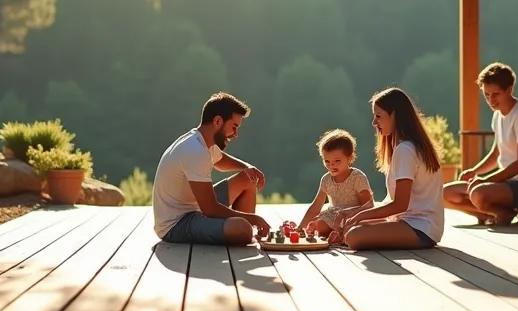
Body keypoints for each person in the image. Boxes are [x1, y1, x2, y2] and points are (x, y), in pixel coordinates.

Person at [151, 92, 271, 245]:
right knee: (242, 228)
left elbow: (220, 160)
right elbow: (210, 210)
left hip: (197, 209)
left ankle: (239, 232)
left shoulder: (203, 141)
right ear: (218, 121)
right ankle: (242, 232)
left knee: (247, 180)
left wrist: (246, 167)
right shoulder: (195, 150)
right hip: (177, 224)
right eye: (234, 127)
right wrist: (253, 219)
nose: (236, 134)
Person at [335, 87, 445, 250]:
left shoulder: (405, 150)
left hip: (420, 228)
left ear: (395, 116)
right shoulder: (405, 148)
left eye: (378, 116)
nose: (374, 123)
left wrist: (360, 216)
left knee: (353, 235)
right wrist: (353, 213)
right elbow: (390, 203)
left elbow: (400, 205)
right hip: (413, 224)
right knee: (347, 225)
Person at [443, 62, 518, 225]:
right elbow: (497, 153)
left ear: (509, 90)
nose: (491, 100)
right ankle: (495, 214)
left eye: (496, 94)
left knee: (478, 193)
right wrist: (474, 172)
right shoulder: (498, 115)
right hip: (504, 184)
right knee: (444, 194)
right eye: (486, 95)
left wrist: (486, 181)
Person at [297, 129, 374, 236]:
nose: (331, 165)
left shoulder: (357, 178)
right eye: (327, 161)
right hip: (333, 216)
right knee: (318, 226)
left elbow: (368, 206)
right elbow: (316, 206)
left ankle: (339, 233)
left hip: (353, 217)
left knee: (351, 229)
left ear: (350, 158)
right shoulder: (326, 180)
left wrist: (350, 218)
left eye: (337, 161)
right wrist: (300, 227)